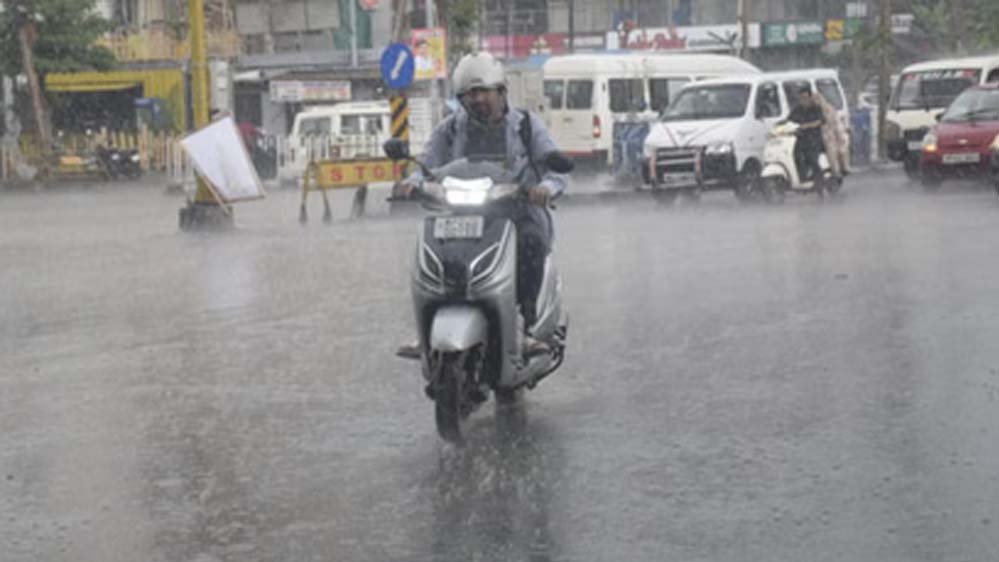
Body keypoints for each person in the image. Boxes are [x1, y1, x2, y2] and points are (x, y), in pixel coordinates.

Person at [397, 52, 569, 358]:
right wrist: (412, 183)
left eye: (483, 92)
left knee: (531, 243)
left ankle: (526, 325)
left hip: (515, 213)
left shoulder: (527, 126)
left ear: (501, 91)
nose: (477, 100)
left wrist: (545, 188)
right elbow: (426, 164)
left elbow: (555, 169)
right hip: (460, 213)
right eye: (469, 94)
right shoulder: (450, 128)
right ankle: (426, 327)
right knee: (430, 249)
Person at [786, 85, 826, 182]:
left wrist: (807, 126)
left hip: (814, 139)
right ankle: (801, 177)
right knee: (794, 155)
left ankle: (819, 180)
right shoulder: (797, 109)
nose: (803, 101)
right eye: (801, 98)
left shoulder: (816, 108)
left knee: (811, 157)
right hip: (800, 139)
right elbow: (788, 120)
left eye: (805, 98)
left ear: (810, 97)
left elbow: (821, 121)